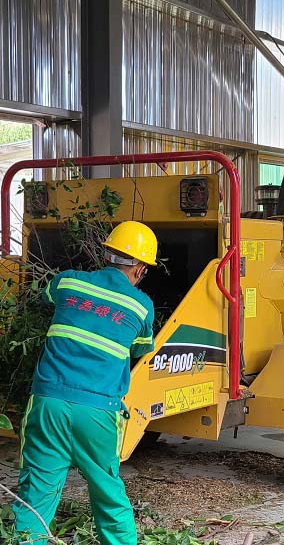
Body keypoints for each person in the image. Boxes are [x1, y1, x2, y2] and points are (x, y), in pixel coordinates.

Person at [13, 221, 157, 545]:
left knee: (37, 488)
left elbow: (46, 296)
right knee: (107, 492)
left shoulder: (68, 283)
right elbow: (141, 348)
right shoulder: (141, 306)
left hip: (48, 403)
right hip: (98, 410)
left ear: (106, 254)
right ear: (140, 270)